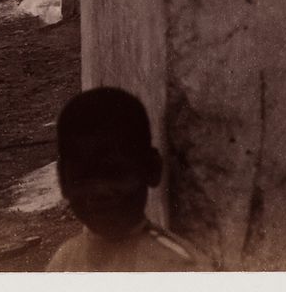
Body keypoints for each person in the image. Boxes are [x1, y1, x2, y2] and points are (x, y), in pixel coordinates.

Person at [46, 86, 200, 271]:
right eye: (83, 177)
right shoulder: (63, 263)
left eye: (115, 174)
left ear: (152, 169)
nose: (99, 192)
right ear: (63, 181)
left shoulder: (179, 266)